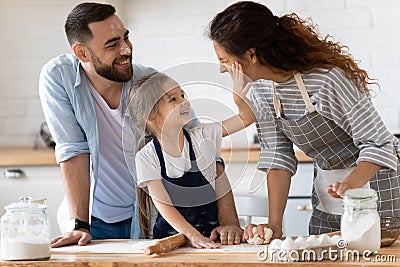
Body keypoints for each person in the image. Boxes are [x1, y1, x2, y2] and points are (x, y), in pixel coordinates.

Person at [39, 2, 241, 248]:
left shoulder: (150, 83)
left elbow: (202, 147)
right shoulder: (59, 77)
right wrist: (80, 224)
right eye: (112, 44)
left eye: (125, 38)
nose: (126, 49)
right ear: (82, 53)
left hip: (148, 218)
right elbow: (73, 149)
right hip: (94, 219)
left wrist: (230, 221)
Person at [207, 1, 400, 240]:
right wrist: (274, 224)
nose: (222, 70)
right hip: (328, 192)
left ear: (251, 54)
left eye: (224, 60)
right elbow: (277, 154)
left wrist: (351, 185)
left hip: (373, 190)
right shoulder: (259, 89)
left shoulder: (326, 80)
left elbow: (379, 144)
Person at [128, 63, 255, 248]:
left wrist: (238, 99)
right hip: (171, 244)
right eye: (173, 99)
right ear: (150, 116)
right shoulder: (146, 157)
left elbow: (246, 118)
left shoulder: (203, 136)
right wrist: (192, 236)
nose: (184, 101)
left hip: (211, 241)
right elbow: (164, 206)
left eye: (182, 95)